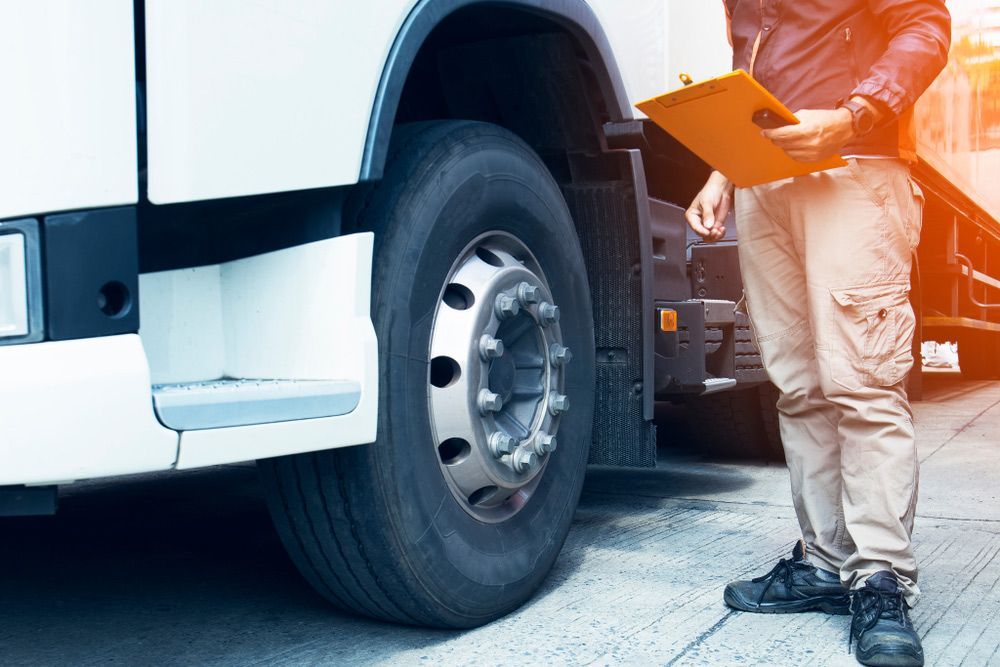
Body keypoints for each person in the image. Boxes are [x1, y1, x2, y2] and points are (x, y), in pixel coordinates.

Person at [685, 2, 951, 666]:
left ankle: (880, 578)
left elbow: (925, 26)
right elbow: (754, 68)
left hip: (853, 166)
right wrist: (723, 171)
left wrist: (855, 113)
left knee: (862, 382)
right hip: (762, 180)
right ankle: (828, 563)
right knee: (799, 385)